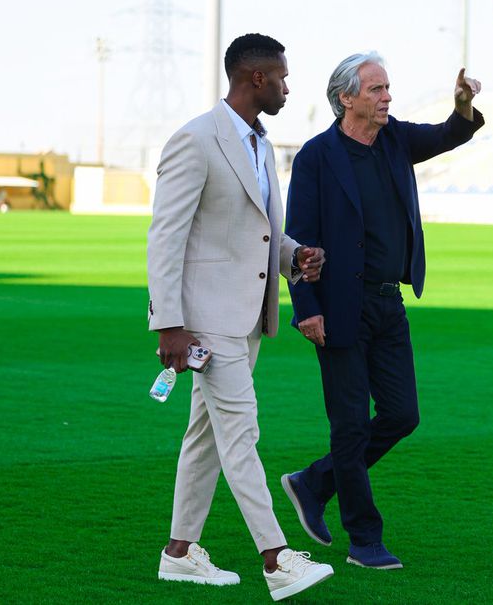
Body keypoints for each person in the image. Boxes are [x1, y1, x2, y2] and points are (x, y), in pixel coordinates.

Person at [146, 33, 332, 601]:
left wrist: (293, 256)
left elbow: (258, 233)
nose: (287, 85)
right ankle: (278, 559)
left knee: (205, 438)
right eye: (281, 76)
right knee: (241, 435)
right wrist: (168, 323)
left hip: (247, 320)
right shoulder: (196, 139)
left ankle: (180, 553)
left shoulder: (261, 143)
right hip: (206, 323)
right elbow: (166, 235)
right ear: (256, 78)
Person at [281, 52, 484, 569]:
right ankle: (365, 539)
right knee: (349, 426)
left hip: (388, 303)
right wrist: (305, 306)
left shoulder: (395, 139)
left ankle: (315, 481)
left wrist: (462, 105)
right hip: (337, 305)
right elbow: (298, 242)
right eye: (376, 90)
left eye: (387, 88)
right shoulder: (316, 157)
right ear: (346, 98)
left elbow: (448, 135)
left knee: (401, 414)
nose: (387, 97)